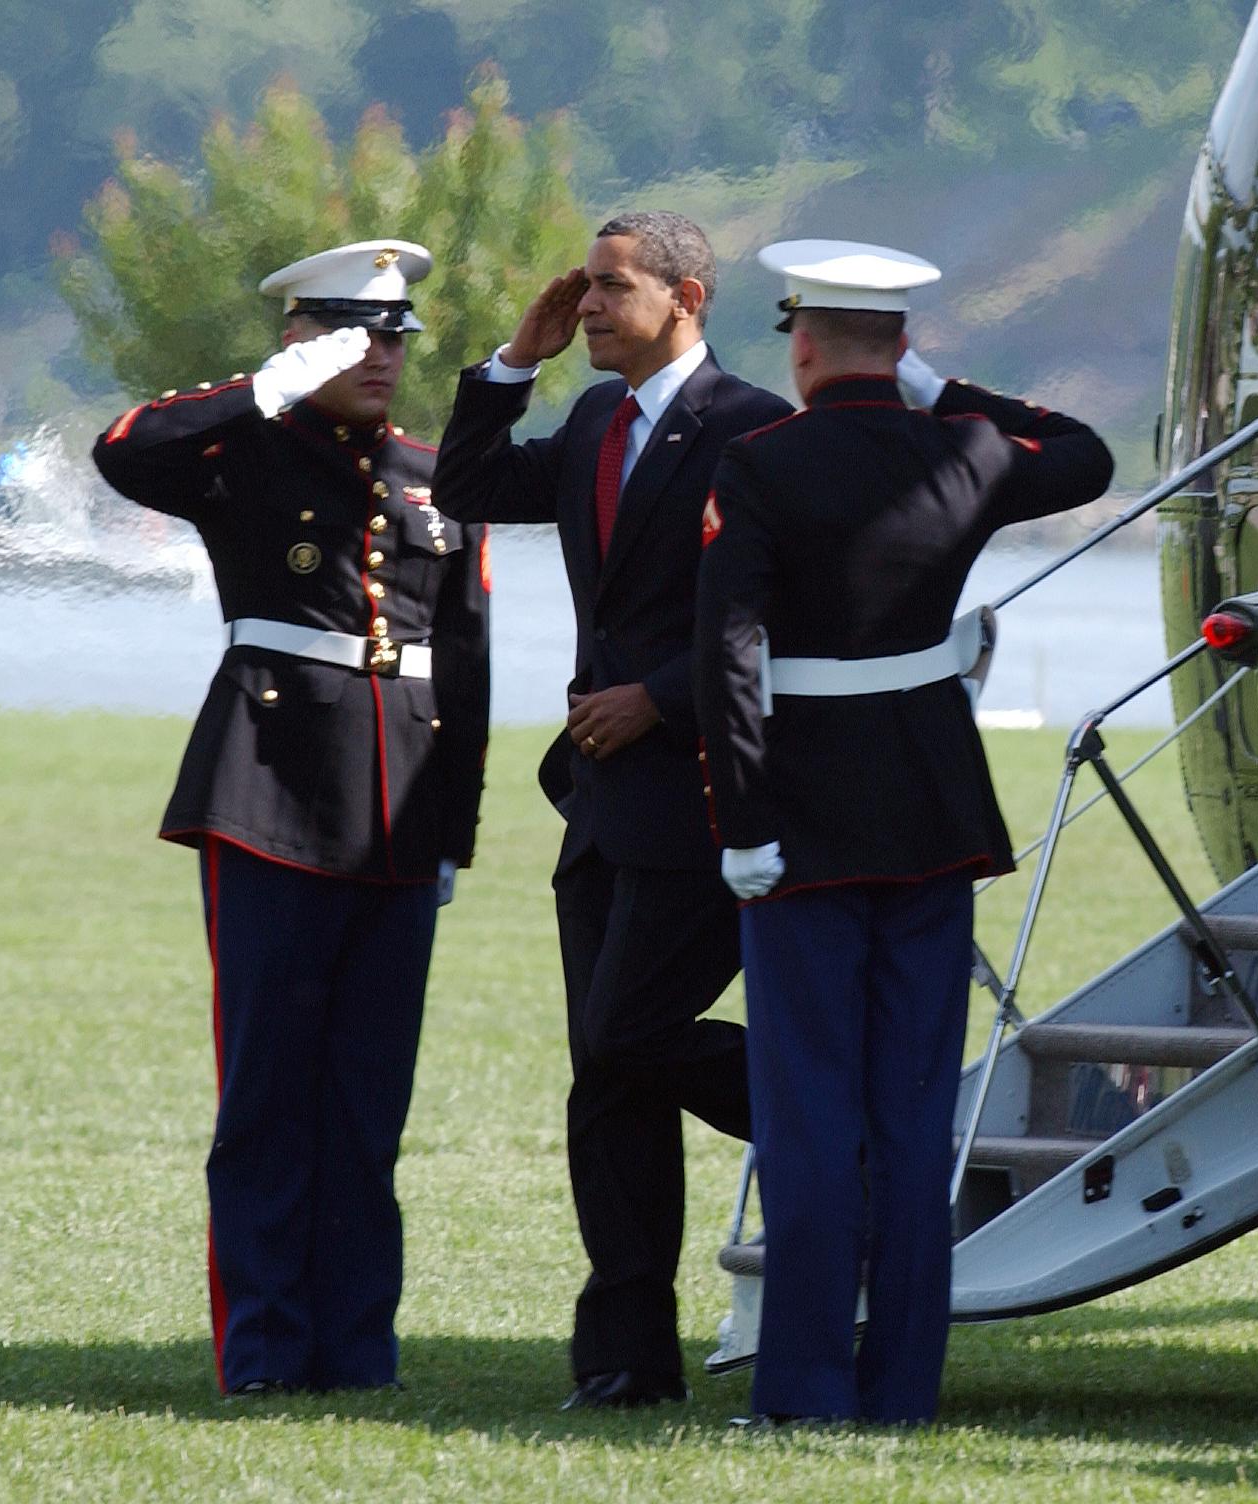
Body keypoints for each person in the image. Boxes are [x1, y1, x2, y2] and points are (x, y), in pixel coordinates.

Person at [695, 239, 1113, 1424]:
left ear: (806, 339)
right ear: (903, 345)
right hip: (930, 812)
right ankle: (900, 1390)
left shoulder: (758, 462)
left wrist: (742, 818)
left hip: (805, 829)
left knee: (808, 1113)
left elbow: (727, 654)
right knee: (911, 1113)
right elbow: (1084, 453)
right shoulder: (969, 450)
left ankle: (806, 1385)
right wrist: (949, 394)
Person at [91, 238, 490, 1395]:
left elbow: (462, 659)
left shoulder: (433, 475)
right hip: (267, 791)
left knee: (368, 1108)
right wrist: (264, 387)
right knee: (268, 1097)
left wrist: (452, 829)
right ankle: (264, 1348)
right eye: (352, 335)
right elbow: (122, 451)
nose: (381, 356)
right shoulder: (238, 452)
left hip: (398, 812)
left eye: (394, 336)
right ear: (300, 340)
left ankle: (358, 1350)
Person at [435, 211, 791, 1409]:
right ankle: (626, 1358)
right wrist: (510, 366)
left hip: (698, 795)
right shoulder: (591, 416)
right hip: (598, 803)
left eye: (609, 288)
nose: (587, 304)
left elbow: (782, 611)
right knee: (607, 1081)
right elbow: (469, 482)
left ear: (685, 296)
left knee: (624, 1039)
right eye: (583, 287)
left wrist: (664, 698)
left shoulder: (752, 428)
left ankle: (824, 1111)